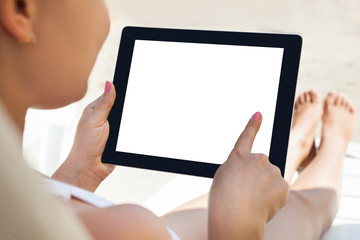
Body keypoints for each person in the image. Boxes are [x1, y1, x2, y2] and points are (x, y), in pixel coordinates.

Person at [0, 0, 355, 239]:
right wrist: (238, 227)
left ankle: (291, 149)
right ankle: (331, 144)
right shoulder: (124, 227)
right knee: (303, 205)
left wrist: (78, 173)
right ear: (20, 10)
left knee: (230, 190)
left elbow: (43, 220)